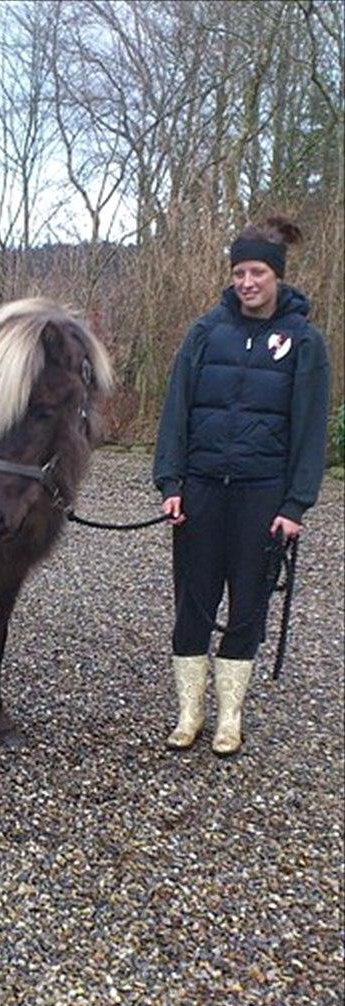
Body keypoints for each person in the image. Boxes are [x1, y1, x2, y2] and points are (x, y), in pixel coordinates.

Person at [153, 215, 329, 755]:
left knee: (248, 604)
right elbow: (176, 411)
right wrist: (171, 482)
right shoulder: (205, 333)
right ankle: (189, 713)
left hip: (263, 494)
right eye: (238, 273)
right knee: (193, 601)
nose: (247, 282)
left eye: (257, 272)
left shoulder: (304, 341)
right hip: (202, 489)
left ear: (277, 275)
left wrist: (296, 505)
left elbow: (310, 430)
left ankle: (229, 717)